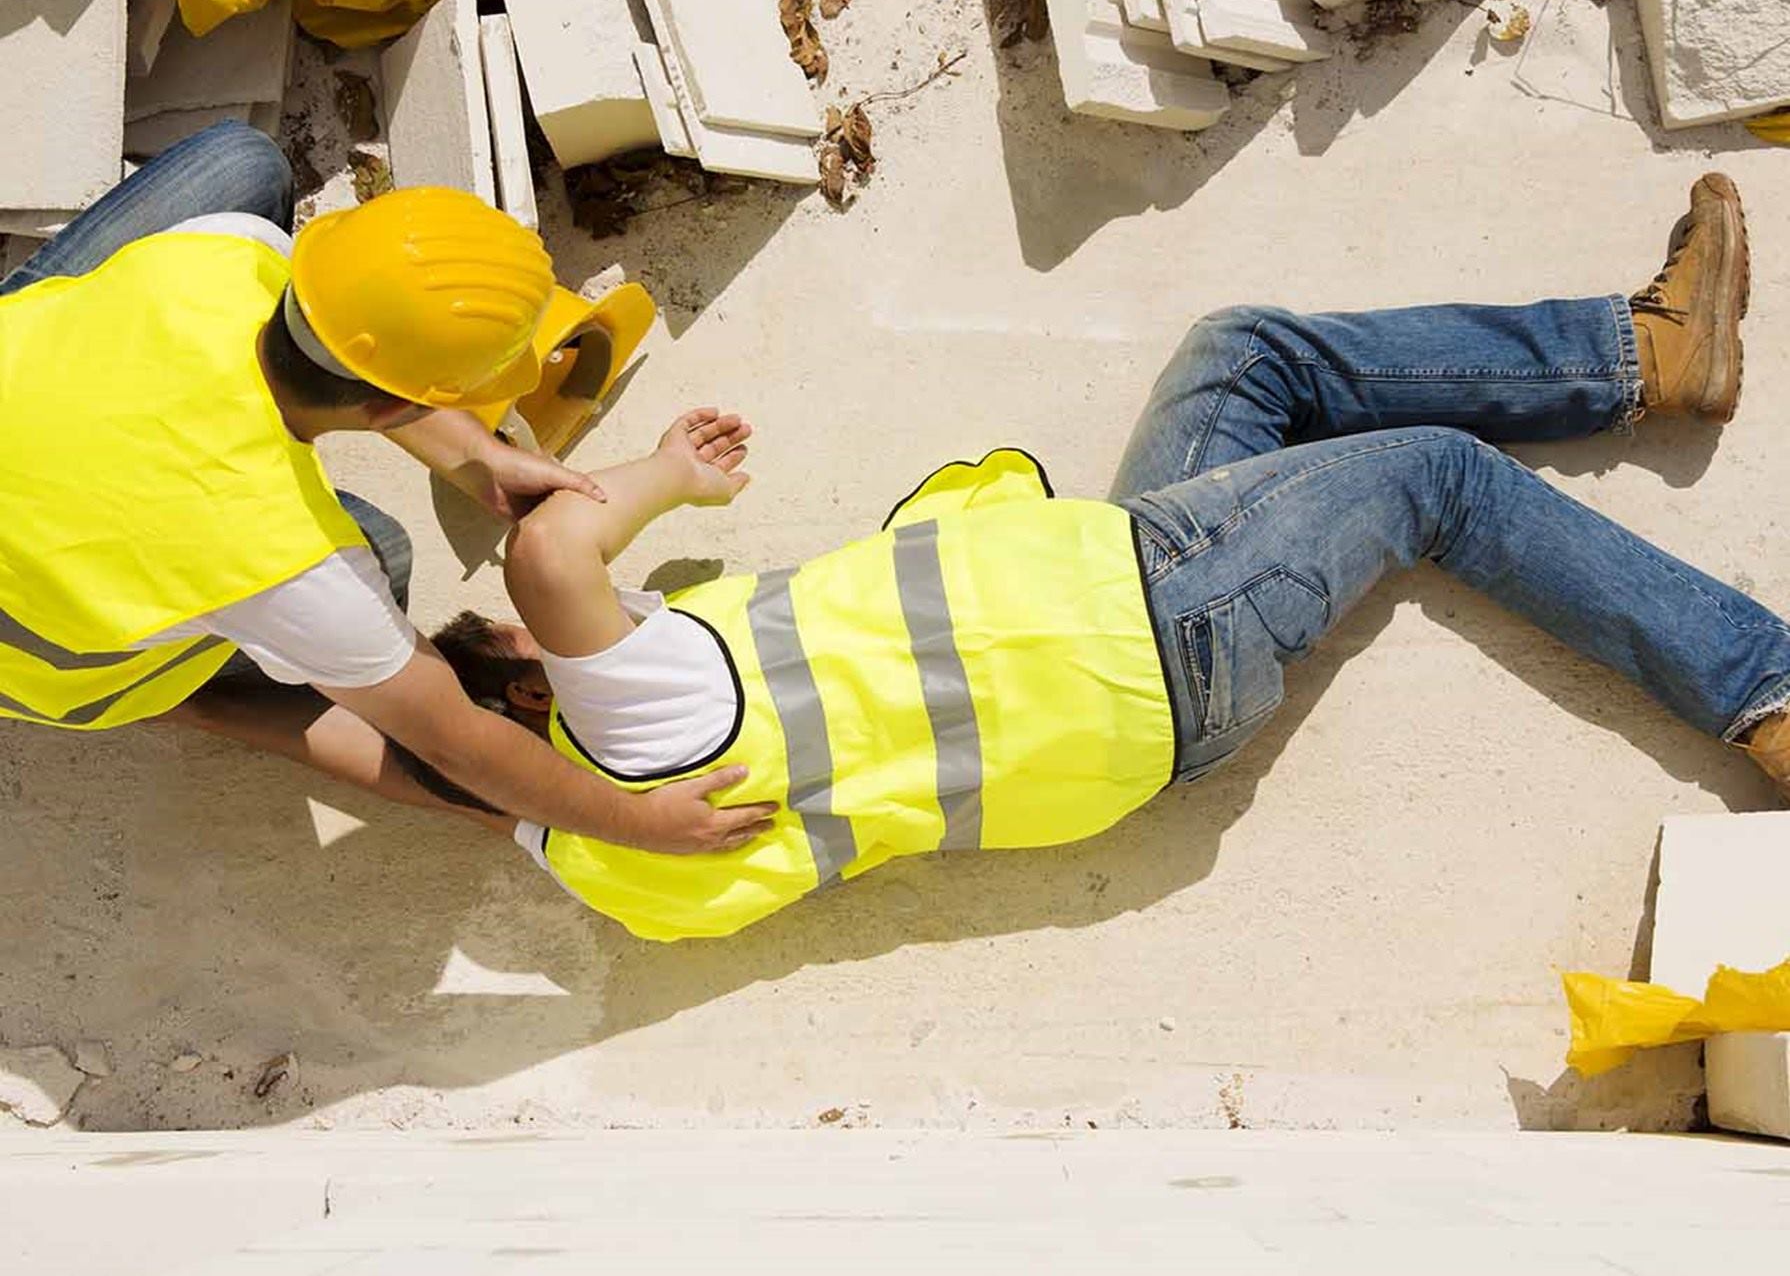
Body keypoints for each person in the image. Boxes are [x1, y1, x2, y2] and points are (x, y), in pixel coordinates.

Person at [430, 173, 1790, 941]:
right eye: (526, 646)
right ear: (538, 695)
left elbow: (449, 777)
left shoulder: (596, 862)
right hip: (1148, 619)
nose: (553, 625)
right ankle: (1760, 690)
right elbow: (551, 547)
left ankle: (1649, 355)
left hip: (1126, 689)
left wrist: (406, 725)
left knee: (1239, 356)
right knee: (1432, 474)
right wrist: (667, 471)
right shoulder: (642, 714)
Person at [0, 120, 772, 856]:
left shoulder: (221, 255)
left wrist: (475, 455)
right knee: (386, 556)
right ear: (400, 405)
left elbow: (339, 352)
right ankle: (164, 691)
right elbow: (457, 743)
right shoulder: (290, 567)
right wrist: (642, 826)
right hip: (33, 656)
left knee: (242, 165)